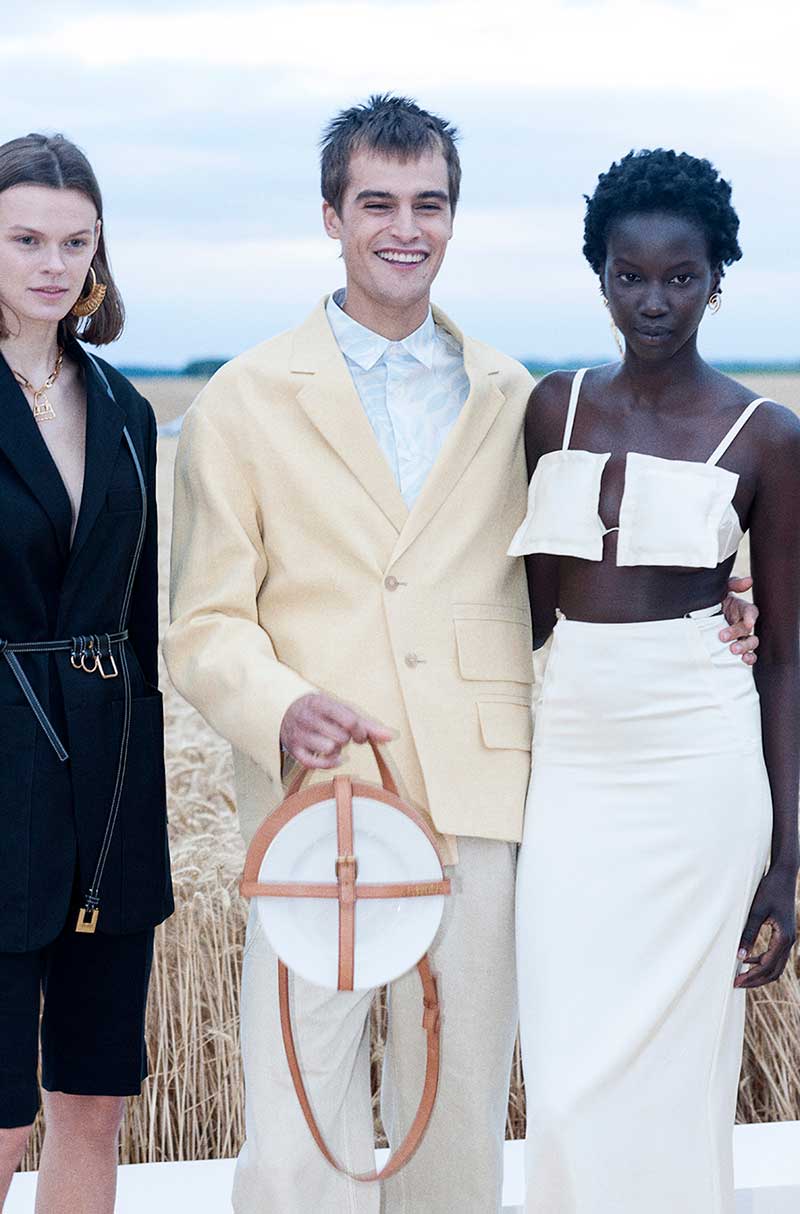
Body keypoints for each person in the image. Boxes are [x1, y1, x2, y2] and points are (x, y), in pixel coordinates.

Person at [164, 101, 758, 1214]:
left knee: (459, 1116)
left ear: (452, 218)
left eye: (427, 204)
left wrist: (719, 610)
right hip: (319, 805)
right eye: (377, 204)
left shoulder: (514, 396)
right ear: (332, 217)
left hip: (483, 800)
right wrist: (281, 706)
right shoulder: (240, 400)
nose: (405, 228)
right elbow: (201, 620)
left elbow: (581, 563)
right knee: (296, 1121)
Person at [511, 148, 800, 1214]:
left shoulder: (767, 435)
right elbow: (529, 612)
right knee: (564, 1068)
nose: (653, 299)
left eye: (680, 276)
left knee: (678, 1073)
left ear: (716, 280)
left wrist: (787, 860)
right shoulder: (552, 409)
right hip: (573, 761)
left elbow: (786, 655)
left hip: (699, 765)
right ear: (599, 275)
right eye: (628, 275)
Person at [0, 134, 173, 1214]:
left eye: (76, 241)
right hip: (0, 775)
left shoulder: (124, 406)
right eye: (25, 239)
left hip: (110, 792)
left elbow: (140, 618)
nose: (53, 264)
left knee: (93, 1102)